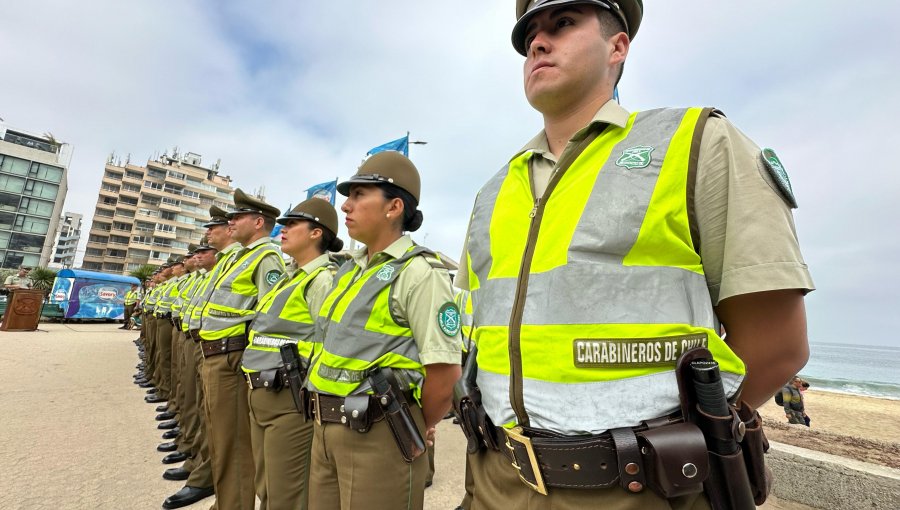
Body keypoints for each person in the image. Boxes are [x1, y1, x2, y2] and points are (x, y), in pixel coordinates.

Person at [455, 1, 815, 508]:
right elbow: (476, 339)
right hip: (496, 480)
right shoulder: (493, 192)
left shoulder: (694, 144)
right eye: (529, 34)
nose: (537, 42)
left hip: (639, 488)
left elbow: (776, 345)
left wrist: (675, 440)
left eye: (562, 24)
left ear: (617, 46)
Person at [306, 151, 462, 510]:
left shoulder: (419, 272)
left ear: (393, 208)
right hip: (323, 429)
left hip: (377, 434)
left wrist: (419, 421)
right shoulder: (349, 270)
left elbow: (445, 371)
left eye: (359, 195)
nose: (346, 206)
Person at [242, 198, 343, 510]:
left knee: (287, 495)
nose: (283, 230)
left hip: (290, 399)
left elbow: (328, 343)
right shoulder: (290, 276)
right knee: (267, 488)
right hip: (262, 394)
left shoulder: (322, 279)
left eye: (292, 225)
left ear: (316, 234)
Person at [199, 189, 285, 510]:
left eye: (238, 217)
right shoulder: (240, 257)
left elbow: (271, 317)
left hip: (233, 357)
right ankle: (226, 503)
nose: (230, 222)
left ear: (259, 222)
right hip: (215, 354)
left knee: (233, 444)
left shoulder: (267, 258)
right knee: (220, 440)